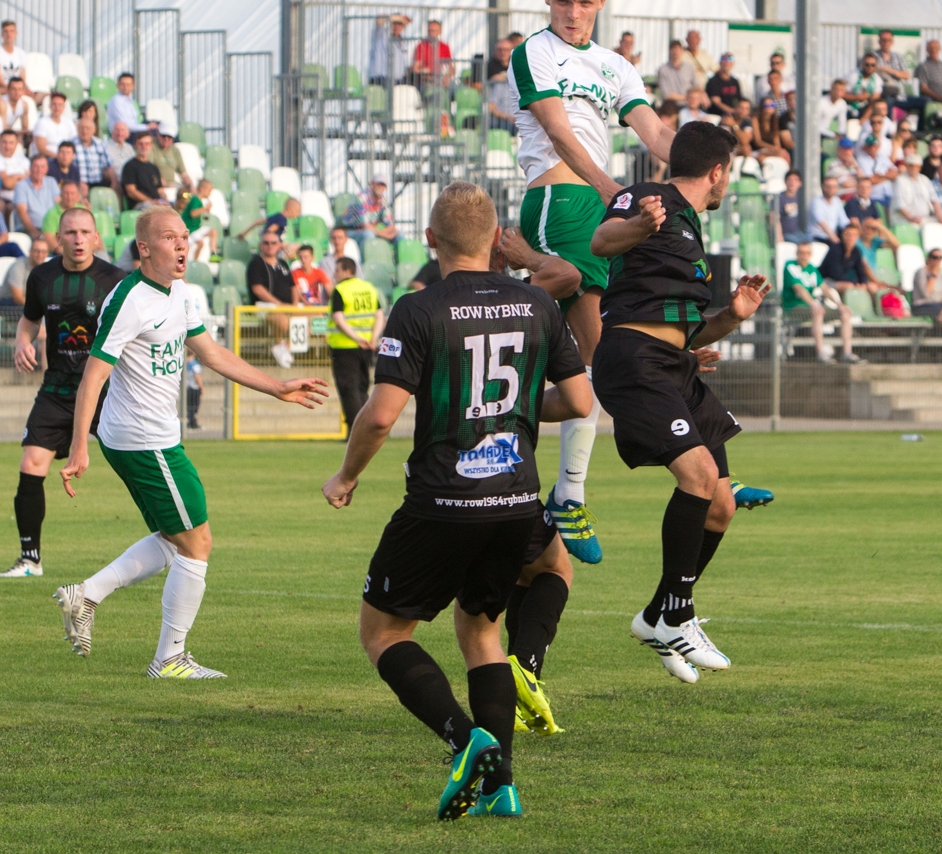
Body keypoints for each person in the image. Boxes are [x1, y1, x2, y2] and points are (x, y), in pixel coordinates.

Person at [319, 181, 591, 818]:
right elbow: (578, 402)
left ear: (430, 240)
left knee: (385, 632)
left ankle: (465, 740)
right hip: (516, 499)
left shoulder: (417, 309)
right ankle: (502, 786)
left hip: (443, 498)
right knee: (481, 632)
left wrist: (346, 475)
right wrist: (519, 412)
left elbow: (381, 416)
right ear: (499, 240)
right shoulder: (537, 305)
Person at [53, 207, 329, 675]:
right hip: (143, 439)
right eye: (169, 238)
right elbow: (93, 376)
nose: (182, 246)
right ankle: (170, 658)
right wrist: (79, 445)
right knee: (197, 542)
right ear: (144, 248)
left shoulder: (178, 293)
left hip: (148, 436)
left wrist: (276, 386)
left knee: (173, 536)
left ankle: (88, 594)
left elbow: (212, 353)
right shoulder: (129, 298)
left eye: (184, 237)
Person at [507, 0, 680, 565]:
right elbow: (558, 130)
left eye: (584, 3)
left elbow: (655, 133)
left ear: (601, 2)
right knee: (595, 353)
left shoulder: (615, 65)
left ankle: (515, 440)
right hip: (561, 196)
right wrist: (613, 192)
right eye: (562, 1)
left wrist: (700, 166)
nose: (573, 14)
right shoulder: (535, 50)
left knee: (597, 363)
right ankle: (557, 481)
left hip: (597, 206)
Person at [584, 121, 767, 687]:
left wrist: (731, 317)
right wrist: (636, 225)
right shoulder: (652, 199)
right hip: (634, 361)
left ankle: (657, 615)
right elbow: (601, 241)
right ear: (717, 171)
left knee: (721, 503)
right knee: (699, 473)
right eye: (727, 175)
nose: (725, 186)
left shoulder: (688, 226)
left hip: (674, 366)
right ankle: (677, 615)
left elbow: (685, 332)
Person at [0, 208, 129, 577]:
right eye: (71, 232)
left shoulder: (116, 281)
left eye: (86, 232)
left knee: (137, 463)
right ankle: (30, 559)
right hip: (56, 389)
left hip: (105, 390)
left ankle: (171, 540)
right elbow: (29, 321)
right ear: (58, 239)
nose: (79, 239)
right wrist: (22, 343)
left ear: (97, 238)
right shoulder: (42, 276)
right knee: (31, 464)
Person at [326, 256, 383, 434]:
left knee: (348, 388)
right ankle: (368, 429)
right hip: (367, 347)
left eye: (337, 270)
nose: (335, 274)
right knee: (362, 387)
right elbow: (380, 315)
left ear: (346, 271)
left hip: (345, 347)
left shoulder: (341, 290)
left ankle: (356, 431)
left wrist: (356, 337)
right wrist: (373, 338)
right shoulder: (369, 288)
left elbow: (338, 319)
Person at [782, 239, 854, 363]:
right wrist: (813, 303)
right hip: (794, 307)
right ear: (797, 253)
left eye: (807, 253)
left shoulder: (812, 269)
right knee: (818, 311)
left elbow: (824, 288)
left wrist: (839, 304)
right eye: (801, 253)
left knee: (845, 313)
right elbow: (799, 289)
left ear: (810, 254)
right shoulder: (790, 266)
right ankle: (820, 353)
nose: (804, 256)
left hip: (811, 306)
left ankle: (847, 353)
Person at [248, 228, 301, 367]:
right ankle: (279, 343)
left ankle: (285, 347)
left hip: (286, 305)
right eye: (266, 243)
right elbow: (257, 289)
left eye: (273, 243)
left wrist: (295, 304)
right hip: (265, 305)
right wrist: (279, 304)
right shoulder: (256, 264)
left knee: (315, 316)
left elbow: (293, 286)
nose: (270, 245)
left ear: (279, 245)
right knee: (282, 320)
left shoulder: (282, 264)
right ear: (261, 245)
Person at [118, 132, 165, 210]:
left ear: (151, 145)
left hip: (156, 204)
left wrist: (164, 200)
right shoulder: (129, 166)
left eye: (147, 144)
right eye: (140, 144)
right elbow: (131, 192)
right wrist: (152, 202)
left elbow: (160, 190)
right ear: (135, 145)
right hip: (140, 206)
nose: (144, 147)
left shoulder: (153, 167)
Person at [181, 178, 215, 262]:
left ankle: (213, 253)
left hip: (196, 228)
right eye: (209, 191)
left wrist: (205, 210)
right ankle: (194, 262)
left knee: (213, 232)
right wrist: (205, 208)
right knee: (200, 243)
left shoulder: (198, 201)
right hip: (189, 229)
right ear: (202, 189)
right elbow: (193, 213)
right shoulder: (195, 199)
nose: (210, 194)